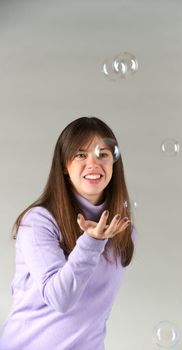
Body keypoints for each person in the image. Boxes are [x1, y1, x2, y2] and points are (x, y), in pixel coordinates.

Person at [0, 116, 136, 350]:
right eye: (81, 155)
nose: (93, 164)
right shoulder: (38, 222)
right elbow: (60, 299)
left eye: (102, 154)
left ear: (114, 163)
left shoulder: (121, 229)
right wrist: (92, 241)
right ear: (64, 165)